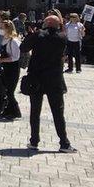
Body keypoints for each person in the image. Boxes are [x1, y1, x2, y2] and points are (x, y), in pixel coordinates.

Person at [21, 16, 76, 152]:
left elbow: (23, 47)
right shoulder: (62, 37)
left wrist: (31, 33)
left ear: (47, 23)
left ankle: (34, 141)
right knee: (58, 112)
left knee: (35, 111)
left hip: (36, 78)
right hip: (54, 79)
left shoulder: (38, 35)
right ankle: (64, 143)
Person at [0, 20, 22, 120]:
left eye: (2, 28)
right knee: (5, 90)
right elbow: (4, 54)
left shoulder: (14, 41)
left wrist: (0, 59)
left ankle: (16, 112)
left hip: (12, 69)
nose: (1, 30)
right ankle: (7, 111)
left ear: (8, 28)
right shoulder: (6, 39)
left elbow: (15, 57)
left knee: (10, 91)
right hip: (6, 67)